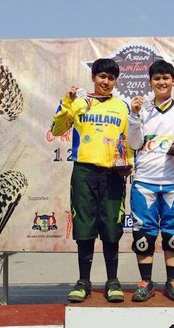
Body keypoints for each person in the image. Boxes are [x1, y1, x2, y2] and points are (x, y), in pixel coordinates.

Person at [51, 58, 133, 303]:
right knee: (84, 225)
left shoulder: (122, 106)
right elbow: (56, 130)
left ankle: (112, 280)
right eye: (102, 76)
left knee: (111, 226)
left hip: (113, 173)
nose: (106, 82)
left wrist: (129, 164)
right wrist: (67, 102)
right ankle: (83, 282)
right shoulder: (78, 102)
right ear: (93, 77)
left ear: (116, 81)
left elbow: (129, 140)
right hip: (84, 171)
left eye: (111, 78)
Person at [128, 60, 174, 302]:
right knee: (143, 234)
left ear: (173, 81)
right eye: (157, 78)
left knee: (173, 232)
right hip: (145, 180)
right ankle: (145, 282)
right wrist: (134, 116)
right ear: (150, 82)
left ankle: (172, 282)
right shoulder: (141, 109)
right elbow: (134, 143)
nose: (161, 82)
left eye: (166, 78)